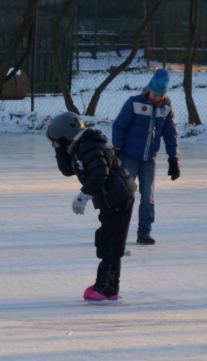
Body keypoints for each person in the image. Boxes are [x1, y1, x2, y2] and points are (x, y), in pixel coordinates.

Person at [47, 112, 136, 302]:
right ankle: (107, 286)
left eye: (57, 141)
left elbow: (100, 172)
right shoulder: (79, 146)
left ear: (65, 136)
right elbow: (68, 170)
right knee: (106, 240)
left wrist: (84, 194)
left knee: (111, 242)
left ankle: (107, 288)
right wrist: (58, 148)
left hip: (118, 197)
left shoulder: (89, 145)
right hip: (111, 198)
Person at [111, 68, 180, 245]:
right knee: (124, 194)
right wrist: (117, 149)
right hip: (130, 156)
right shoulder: (134, 103)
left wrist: (173, 158)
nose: (156, 98)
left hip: (150, 159)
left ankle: (144, 232)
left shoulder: (166, 107)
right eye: (154, 94)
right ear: (148, 89)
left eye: (160, 95)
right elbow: (119, 126)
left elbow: (170, 133)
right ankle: (116, 232)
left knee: (148, 197)